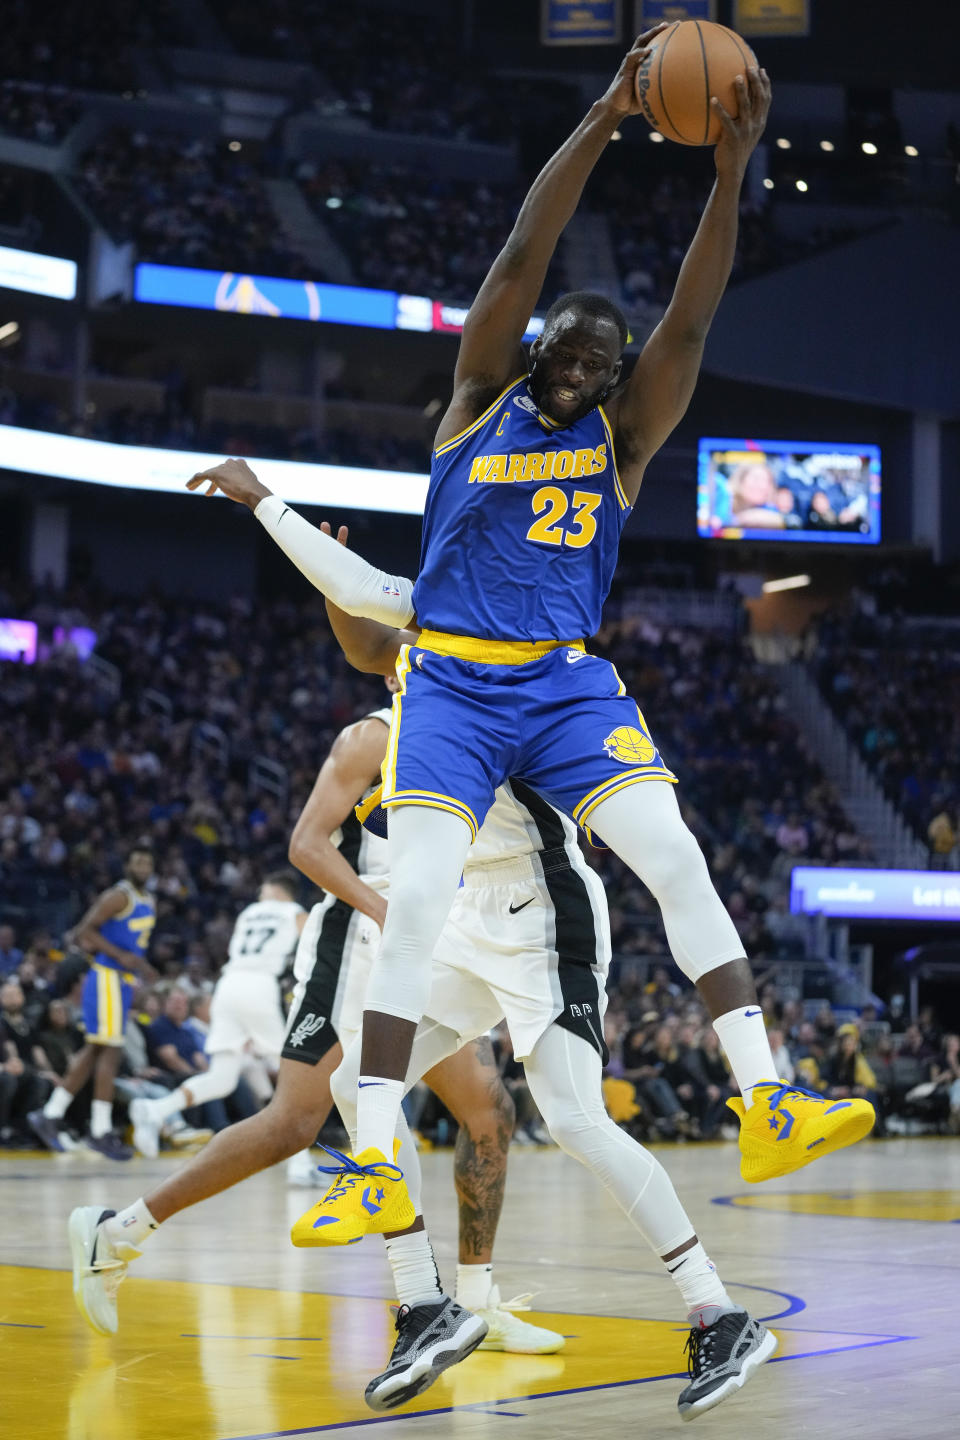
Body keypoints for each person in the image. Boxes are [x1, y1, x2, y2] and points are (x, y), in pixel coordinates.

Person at [186, 26, 871, 1404]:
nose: (584, 343)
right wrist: (607, 119)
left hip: (560, 680)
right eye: (567, 329)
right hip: (450, 683)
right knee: (415, 892)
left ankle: (767, 1093)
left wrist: (730, 174)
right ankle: (375, 1173)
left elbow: (692, 316)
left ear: (614, 378)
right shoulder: (471, 408)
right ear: (532, 342)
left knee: (672, 851)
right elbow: (516, 253)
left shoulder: (621, 440)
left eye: (602, 345)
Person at [66, 717, 564, 1375]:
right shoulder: (373, 735)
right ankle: (117, 1231)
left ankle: (472, 1303)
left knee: (489, 1111)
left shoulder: (480, 731)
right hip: (357, 940)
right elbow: (307, 844)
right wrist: (386, 914)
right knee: (293, 1123)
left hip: (436, 943)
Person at [129, 873, 306, 1157]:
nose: (260, 894)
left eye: (262, 890)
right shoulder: (294, 912)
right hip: (259, 984)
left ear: (272, 890)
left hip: (227, 985)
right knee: (295, 1072)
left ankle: (155, 1109)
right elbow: (314, 952)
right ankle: (299, 1161)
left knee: (222, 1078)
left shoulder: (249, 913)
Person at [28, 846, 157, 1159]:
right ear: (127, 865)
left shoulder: (149, 900)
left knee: (99, 1048)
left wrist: (141, 968)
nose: (142, 867)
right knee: (108, 1050)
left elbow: (133, 947)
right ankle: (98, 1130)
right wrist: (119, 956)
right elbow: (83, 930)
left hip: (123, 981)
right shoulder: (119, 895)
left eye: (147, 863)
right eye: (137, 861)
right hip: (106, 976)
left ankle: (52, 1113)